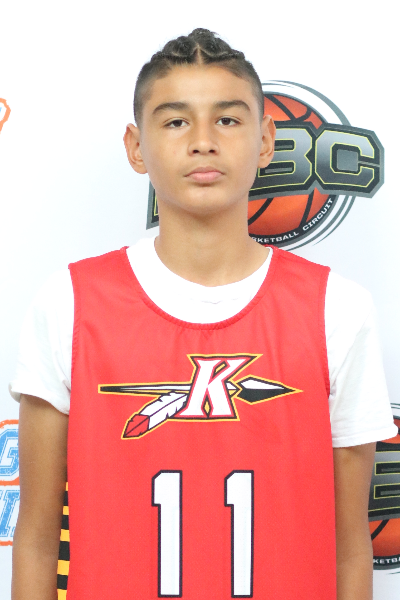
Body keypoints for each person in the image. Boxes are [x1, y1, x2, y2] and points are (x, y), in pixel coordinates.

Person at [10, 28, 397, 600]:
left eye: (228, 119)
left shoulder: (336, 308)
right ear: (135, 146)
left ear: (265, 140)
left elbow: (350, 548)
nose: (203, 141)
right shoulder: (69, 302)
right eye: (175, 121)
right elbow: (38, 540)